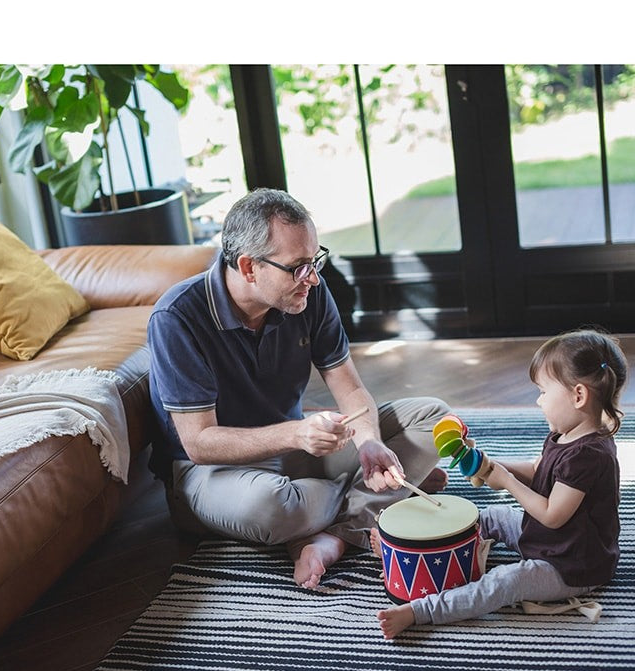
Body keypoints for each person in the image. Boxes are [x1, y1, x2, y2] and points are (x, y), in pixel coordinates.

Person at [146, 187, 449, 589]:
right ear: (249, 267)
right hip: (210, 472)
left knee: (435, 419)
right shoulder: (177, 317)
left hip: (293, 452)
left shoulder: (307, 294)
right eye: (298, 267)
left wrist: (369, 443)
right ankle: (379, 500)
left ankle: (335, 535)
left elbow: (351, 390)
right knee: (272, 508)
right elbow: (200, 443)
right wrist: (297, 434)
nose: (313, 277)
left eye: (315, 260)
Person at [376, 328, 628, 638]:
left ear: (578, 396)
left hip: (571, 565)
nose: (538, 401)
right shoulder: (564, 434)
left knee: (505, 582)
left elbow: (552, 514)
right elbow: (537, 471)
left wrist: (506, 481)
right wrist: (488, 464)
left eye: (543, 391)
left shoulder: (589, 454)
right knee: (491, 516)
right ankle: (419, 551)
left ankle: (421, 611)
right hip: (548, 540)